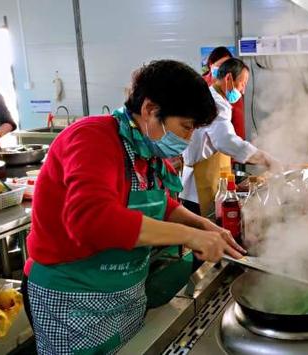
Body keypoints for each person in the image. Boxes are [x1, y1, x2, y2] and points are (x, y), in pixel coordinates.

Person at [21, 60, 245, 354]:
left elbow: (155, 204)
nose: (188, 138)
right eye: (186, 127)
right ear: (151, 110)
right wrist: (188, 236)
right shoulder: (92, 138)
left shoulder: (145, 149)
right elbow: (92, 220)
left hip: (125, 295)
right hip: (72, 298)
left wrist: (202, 225)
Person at [181, 58, 278, 216]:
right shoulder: (215, 104)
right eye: (243, 83)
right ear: (228, 79)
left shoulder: (214, 99)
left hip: (203, 183)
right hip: (199, 187)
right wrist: (267, 159)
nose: (243, 90)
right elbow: (226, 141)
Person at [202, 46, 246, 140]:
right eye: (221, 64)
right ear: (211, 65)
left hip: (226, 141)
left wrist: (239, 145)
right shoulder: (199, 84)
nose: (225, 68)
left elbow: (238, 121)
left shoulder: (233, 89)